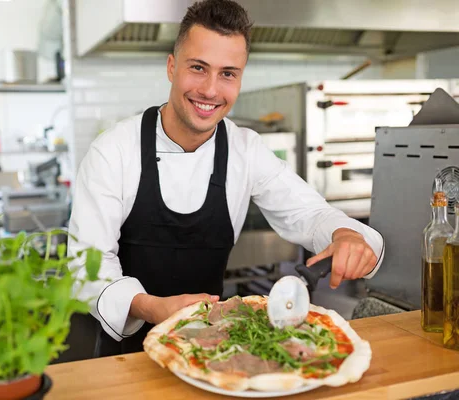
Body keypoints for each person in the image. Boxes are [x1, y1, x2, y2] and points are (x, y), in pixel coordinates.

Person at [66, 0, 384, 358]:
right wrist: (150, 307)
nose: (211, 90)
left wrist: (344, 234)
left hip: (211, 352)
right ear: (172, 67)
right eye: (198, 68)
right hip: (125, 353)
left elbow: (309, 213)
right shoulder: (114, 151)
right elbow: (86, 266)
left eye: (228, 73)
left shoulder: (245, 149)